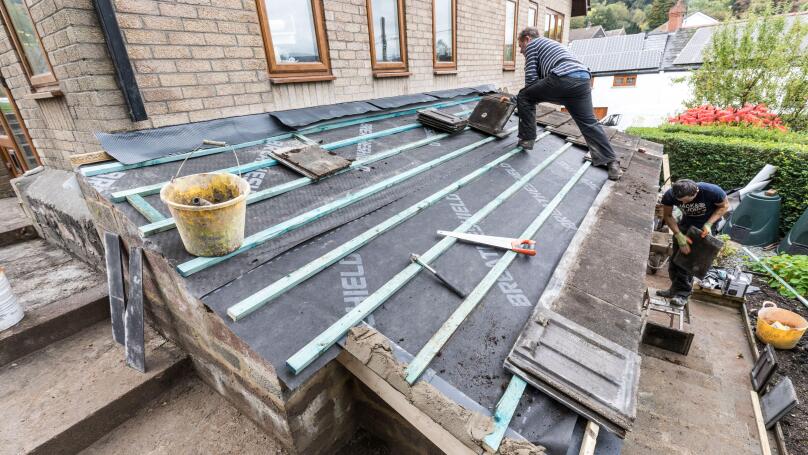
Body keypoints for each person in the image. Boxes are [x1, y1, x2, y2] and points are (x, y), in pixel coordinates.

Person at [515, 27, 623, 181]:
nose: (520, 51)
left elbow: (531, 81)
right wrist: (518, 99)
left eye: (520, 46)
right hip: (582, 80)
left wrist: (520, 98)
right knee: (589, 123)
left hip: (562, 78)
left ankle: (527, 139)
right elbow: (537, 86)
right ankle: (612, 163)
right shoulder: (550, 46)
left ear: (527, 39)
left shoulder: (533, 44)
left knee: (525, 97)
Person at [659, 179, 729, 306]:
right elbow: (668, 216)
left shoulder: (712, 191)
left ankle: (683, 294)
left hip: (705, 228)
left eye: (686, 200)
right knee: (675, 260)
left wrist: (708, 224)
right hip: (686, 225)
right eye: (680, 201)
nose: (682, 203)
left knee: (687, 262)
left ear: (696, 191)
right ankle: (674, 290)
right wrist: (678, 235)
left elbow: (724, 206)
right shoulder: (670, 194)